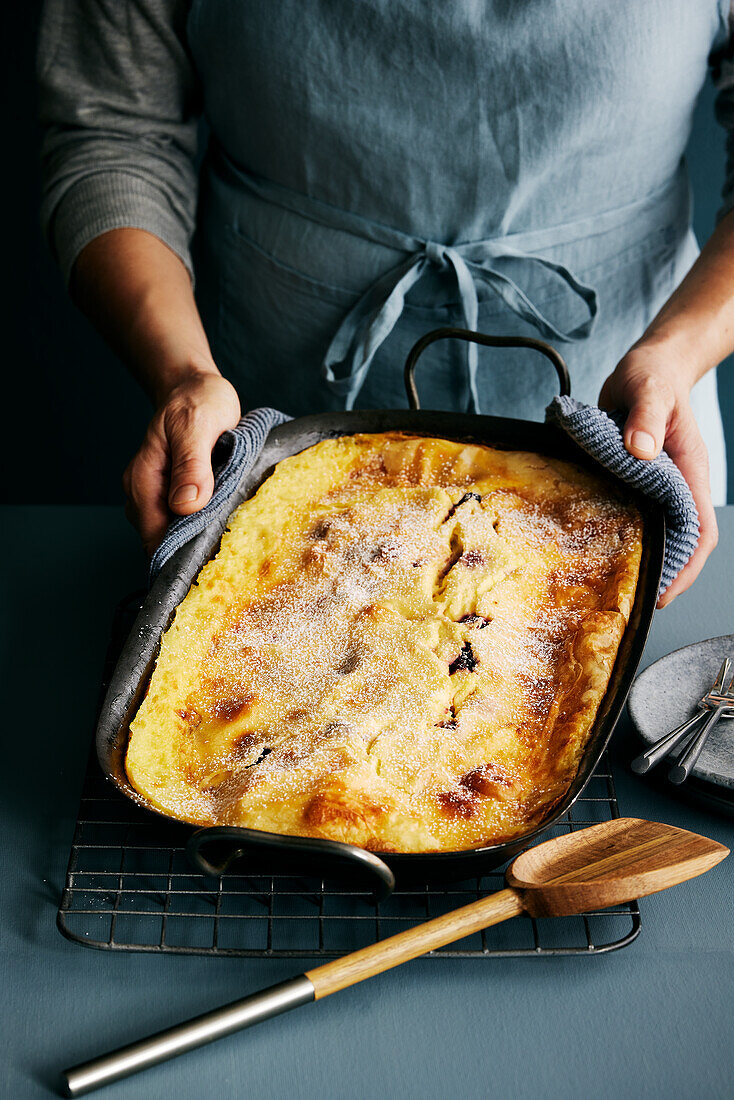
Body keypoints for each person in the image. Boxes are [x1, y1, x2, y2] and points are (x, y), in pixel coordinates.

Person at [38, 1, 734, 606]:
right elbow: (113, 129)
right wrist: (182, 374)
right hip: (268, 418)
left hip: (627, 411)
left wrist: (678, 355)